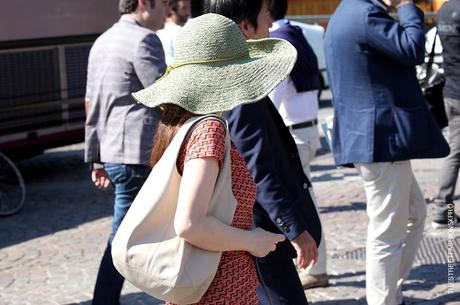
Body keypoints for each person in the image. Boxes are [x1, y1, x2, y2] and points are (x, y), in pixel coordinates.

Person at [131, 13, 294, 304]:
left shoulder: (179, 125)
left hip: (208, 282)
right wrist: (253, 241)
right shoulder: (210, 129)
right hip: (220, 288)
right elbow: (190, 224)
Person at [324, 0, 450, 304]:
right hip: (380, 139)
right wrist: (408, 7)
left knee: (414, 214)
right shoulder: (367, 13)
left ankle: (391, 292)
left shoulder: (346, 10)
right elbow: (412, 49)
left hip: (373, 137)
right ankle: (383, 300)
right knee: (386, 233)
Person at [203, 1, 322, 304]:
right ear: (244, 26)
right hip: (256, 230)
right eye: (265, 16)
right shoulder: (237, 83)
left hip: (252, 230)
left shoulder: (224, 73)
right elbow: (256, 168)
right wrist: (294, 229)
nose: (270, 23)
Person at [84, 0, 168, 304]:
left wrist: (96, 157)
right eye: (166, 4)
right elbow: (165, 97)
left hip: (116, 153)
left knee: (134, 234)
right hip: (138, 155)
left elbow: (92, 104)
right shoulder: (144, 39)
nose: (168, 11)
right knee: (126, 238)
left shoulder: (102, 40)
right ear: (145, 3)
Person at [267, 0, 329, 289]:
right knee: (307, 201)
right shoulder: (297, 33)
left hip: (293, 133)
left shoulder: (279, 42)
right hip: (308, 128)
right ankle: (317, 267)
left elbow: (272, 99)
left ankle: (315, 268)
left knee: (301, 205)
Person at [432, 0, 460, 229]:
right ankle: (443, 209)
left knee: (455, 151)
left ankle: (443, 209)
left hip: (451, 91)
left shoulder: (444, 10)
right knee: (455, 152)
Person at [157, 0, 191, 65]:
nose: (188, 12)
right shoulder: (179, 31)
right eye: (184, 8)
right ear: (172, 9)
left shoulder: (158, 30)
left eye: (189, 8)